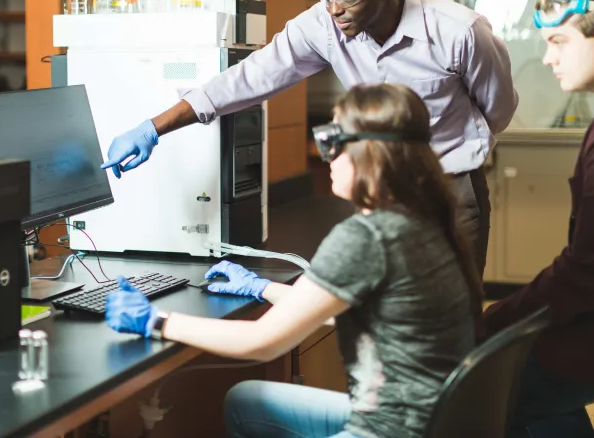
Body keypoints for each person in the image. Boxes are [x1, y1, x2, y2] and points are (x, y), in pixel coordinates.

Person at [100, 0, 518, 277]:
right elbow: (250, 77)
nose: (335, 10)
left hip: (448, 186)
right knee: (384, 312)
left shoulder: (459, 30)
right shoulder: (322, 24)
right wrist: (153, 127)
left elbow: (497, 108)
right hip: (378, 189)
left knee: (455, 313)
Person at [105, 83, 483, 438]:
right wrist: (260, 287)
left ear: (370, 153)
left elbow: (262, 342)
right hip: (435, 421)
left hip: (387, 429)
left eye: (332, 140)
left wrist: (156, 321)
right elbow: (340, 308)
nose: (326, 155)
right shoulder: (430, 219)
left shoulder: (367, 238)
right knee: (245, 402)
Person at [482, 0, 594, 438]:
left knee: (494, 382)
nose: (548, 57)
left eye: (559, 42)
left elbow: (591, 271)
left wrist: (498, 318)